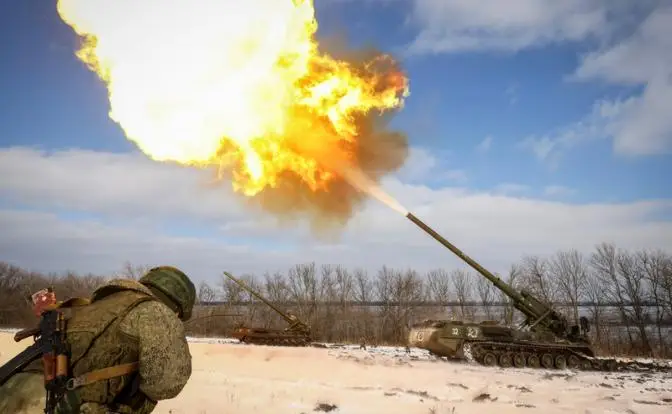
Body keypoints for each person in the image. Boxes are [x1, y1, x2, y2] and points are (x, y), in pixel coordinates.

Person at [0, 265, 196, 414]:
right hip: (57, 404)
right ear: (177, 307)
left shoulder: (93, 306)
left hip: (12, 391)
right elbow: (166, 384)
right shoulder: (157, 312)